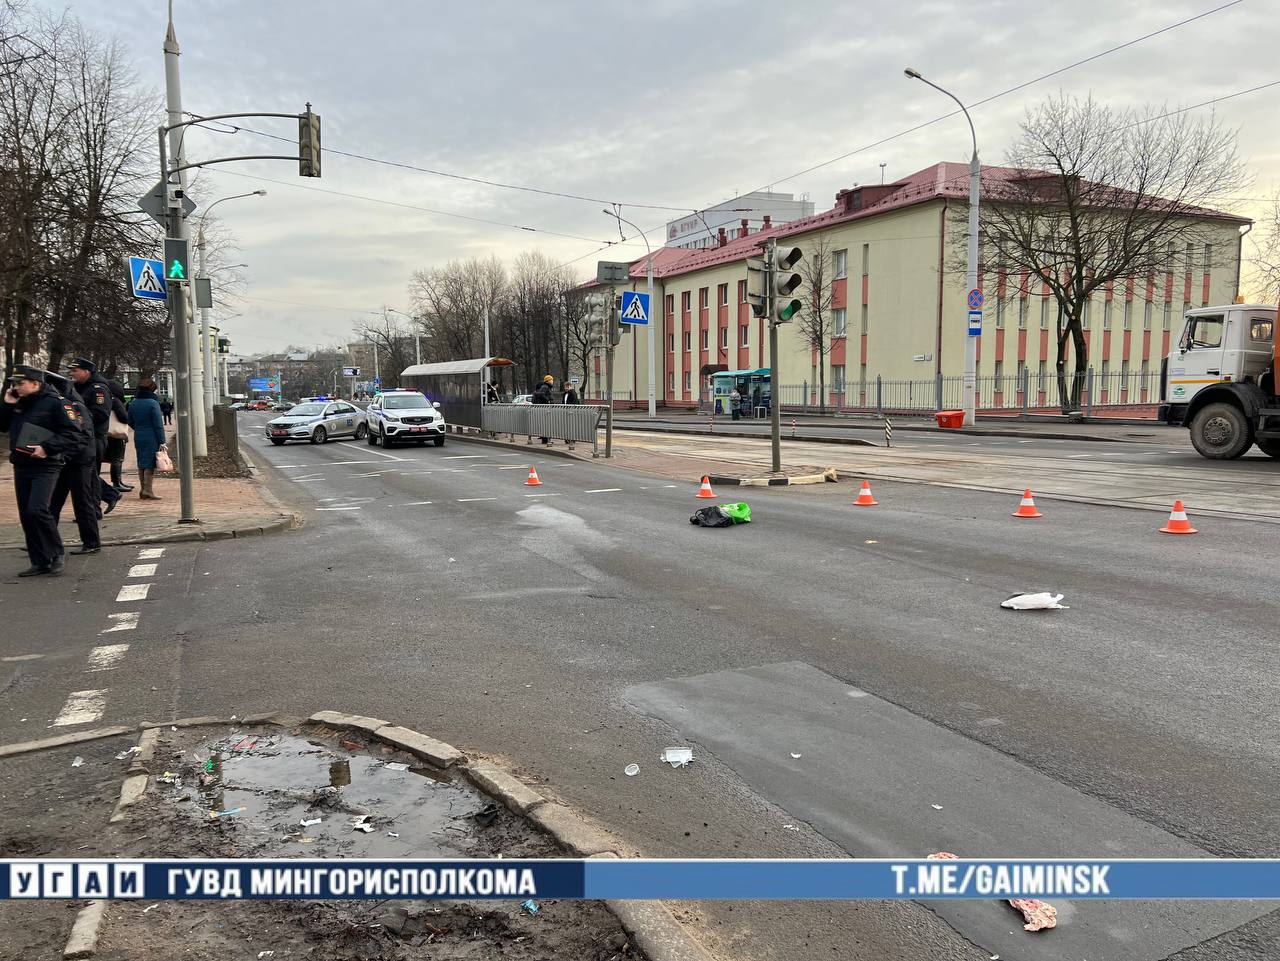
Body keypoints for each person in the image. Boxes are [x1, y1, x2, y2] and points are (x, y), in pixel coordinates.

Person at [0, 366, 84, 576]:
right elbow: (2, 426)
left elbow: (74, 434)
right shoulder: (18, 403)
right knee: (26, 515)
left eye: (20, 383)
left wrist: (47, 447)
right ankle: (40, 561)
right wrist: (7, 405)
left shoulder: (57, 403)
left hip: (46, 464)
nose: (16, 387)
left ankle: (56, 553)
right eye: (14, 383)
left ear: (36, 383)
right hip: (21, 463)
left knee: (37, 509)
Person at [45, 372, 100, 555]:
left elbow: (82, 436)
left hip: (79, 460)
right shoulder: (60, 403)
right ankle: (44, 541)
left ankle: (91, 542)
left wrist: (64, 454)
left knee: (82, 502)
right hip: (64, 459)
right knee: (53, 502)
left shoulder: (73, 406)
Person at [67, 357, 119, 516]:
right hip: (82, 437)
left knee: (88, 475)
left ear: (86, 372)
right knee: (86, 474)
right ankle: (108, 497)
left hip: (94, 438)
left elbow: (100, 413)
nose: (72, 373)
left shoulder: (98, 389)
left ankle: (94, 509)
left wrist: (78, 418)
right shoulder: (80, 387)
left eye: (75, 371)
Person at [127, 378, 166, 500]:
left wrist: (138, 428)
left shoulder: (133, 403)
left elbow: (130, 421)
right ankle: (147, 490)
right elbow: (158, 424)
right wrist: (162, 440)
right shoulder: (153, 403)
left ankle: (143, 490)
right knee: (150, 463)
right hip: (151, 436)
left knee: (141, 462)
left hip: (138, 435)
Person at [105, 378, 132, 493]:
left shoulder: (105, 399)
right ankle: (117, 482)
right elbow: (123, 418)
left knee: (113, 458)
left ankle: (117, 482)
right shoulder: (116, 401)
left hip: (107, 433)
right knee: (117, 458)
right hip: (117, 434)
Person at [532, 374, 554, 445]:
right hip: (545, 408)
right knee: (546, 424)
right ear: (548, 380)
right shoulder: (545, 387)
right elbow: (541, 394)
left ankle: (546, 439)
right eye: (551, 380)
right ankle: (545, 439)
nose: (552, 381)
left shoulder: (546, 386)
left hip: (546, 408)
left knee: (546, 424)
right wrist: (548, 401)